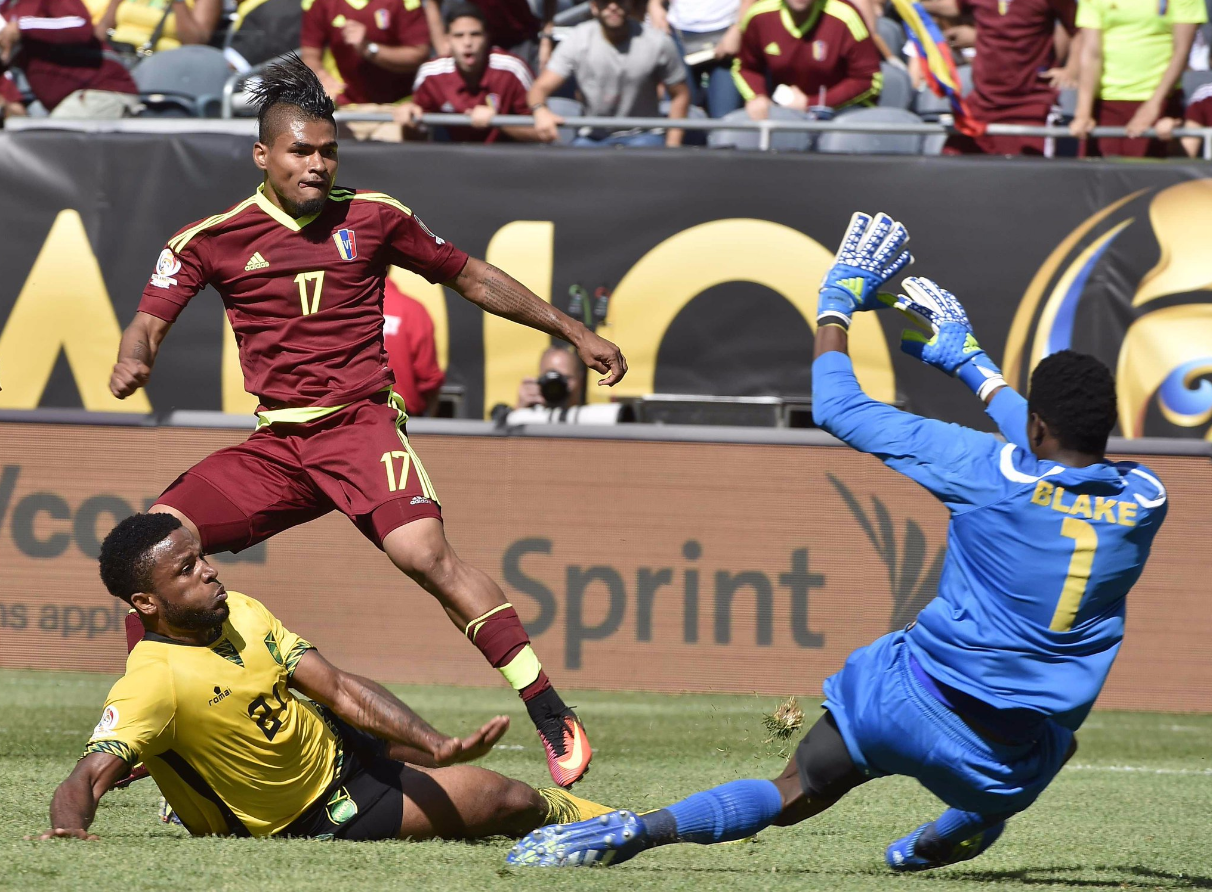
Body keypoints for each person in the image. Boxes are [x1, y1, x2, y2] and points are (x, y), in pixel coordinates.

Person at [507, 212, 1169, 870]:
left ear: (1037, 424)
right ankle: (937, 841)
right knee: (1055, 744)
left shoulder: (984, 469)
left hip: (903, 700)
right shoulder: (1146, 499)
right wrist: (976, 370)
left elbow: (837, 408)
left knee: (794, 787)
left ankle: (640, 831)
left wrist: (839, 302)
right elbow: (1054, 454)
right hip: (998, 758)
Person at [108, 55, 627, 790]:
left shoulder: (377, 217)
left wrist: (574, 331)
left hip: (360, 429)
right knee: (155, 544)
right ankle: (155, 727)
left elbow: (472, 275)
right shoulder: (212, 238)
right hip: (278, 446)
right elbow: (148, 322)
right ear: (264, 155)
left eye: (328, 151)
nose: (317, 165)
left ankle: (551, 714)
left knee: (426, 557)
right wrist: (136, 358)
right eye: (301, 151)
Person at [32, 513, 614, 841]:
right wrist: (68, 832)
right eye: (187, 570)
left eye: (202, 556)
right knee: (504, 798)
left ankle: (610, 822)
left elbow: (336, 687)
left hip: (343, 748)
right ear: (147, 602)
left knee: (480, 783)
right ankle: (613, 829)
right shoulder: (151, 681)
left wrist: (432, 742)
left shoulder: (242, 611)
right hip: (314, 814)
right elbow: (84, 779)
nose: (210, 572)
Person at [923, 0, 1078, 156]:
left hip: (1030, 105)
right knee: (952, 166)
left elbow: (1079, 29)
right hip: (982, 102)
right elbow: (953, 6)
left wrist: (1071, 69)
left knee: (1028, 174)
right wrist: (910, 4)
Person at [528, 0, 690, 147]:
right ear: (594, 7)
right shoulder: (577, 40)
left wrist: (672, 145)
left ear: (629, 4)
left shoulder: (658, 42)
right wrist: (540, 110)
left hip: (644, 136)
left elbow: (680, 94)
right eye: (605, 2)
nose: (613, 6)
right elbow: (539, 88)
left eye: (620, 1)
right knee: (573, 167)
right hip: (593, 137)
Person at [1069, 0, 1205, 158]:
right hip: (1105, 105)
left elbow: (1182, 50)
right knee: (1099, 178)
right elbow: (1091, 53)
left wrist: (1153, 105)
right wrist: (1083, 113)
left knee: (1154, 178)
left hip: (1160, 104)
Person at [394, 3, 540, 143]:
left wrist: (499, 122)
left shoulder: (513, 70)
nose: (467, 43)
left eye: (475, 34)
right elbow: (416, 139)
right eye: (459, 35)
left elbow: (542, 133)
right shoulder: (431, 75)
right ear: (447, 40)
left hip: (508, 160)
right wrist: (409, 120)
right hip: (454, 159)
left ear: (488, 37)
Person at [300, 0, 430, 141]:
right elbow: (310, 53)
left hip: (396, 108)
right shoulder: (319, 3)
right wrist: (320, 76)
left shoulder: (405, 2)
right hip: (344, 106)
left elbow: (419, 53)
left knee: (387, 159)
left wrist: (369, 49)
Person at [732, 0, 882, 120]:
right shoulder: (759, 16)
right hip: (787, 113)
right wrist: (758, 97)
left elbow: (869, 79)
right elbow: (746, 67)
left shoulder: (845, 16)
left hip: (842, 112)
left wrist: (811, 104)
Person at [1, 0, 140, 117]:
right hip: (64, 104)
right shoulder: (6, 9)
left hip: (100, 90)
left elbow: (80, 25)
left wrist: (21, 26)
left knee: (48, 144)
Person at [424, 0, 555, 74]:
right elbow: (432, 3)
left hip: (519, 41)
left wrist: (546, 39)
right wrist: (442, 45)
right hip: (471, 42)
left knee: (525, 106)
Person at [383, 278, 444, 416]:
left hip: (344, 421)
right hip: (400, 418)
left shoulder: (336, 309)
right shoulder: (412, 309)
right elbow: (429, 377)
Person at [97, 0, 222, 55]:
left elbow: (195, 41)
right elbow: (105, 25)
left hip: (162, 64)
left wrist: (179, 2)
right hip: (118, 54)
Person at [516, 344, 584, 410]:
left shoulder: (591, 416)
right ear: (539, 380)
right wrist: (520, 410)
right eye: (550, 377)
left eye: (565, 378)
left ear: (580, 380)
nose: (556, 385)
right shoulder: (529, 415)